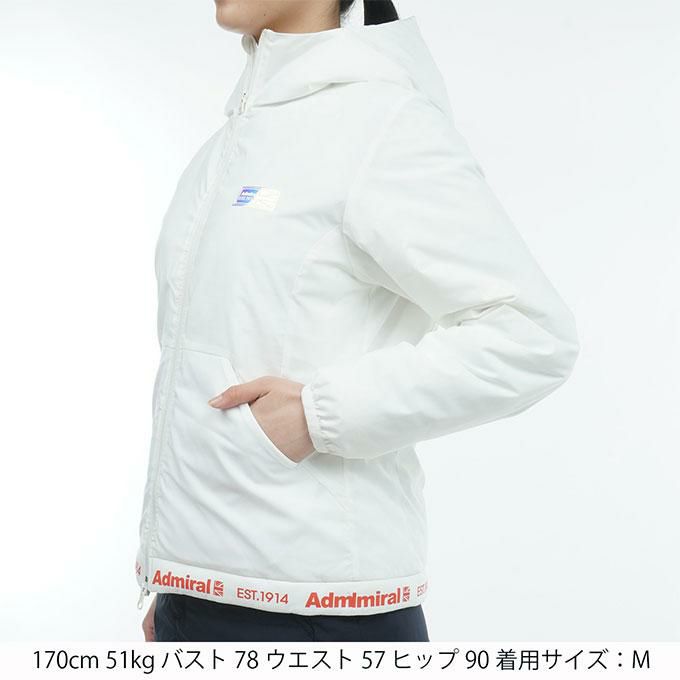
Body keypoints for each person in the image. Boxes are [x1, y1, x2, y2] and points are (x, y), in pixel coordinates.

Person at [137, 0, 580, 642]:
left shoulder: (382, 125)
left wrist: (317, 414)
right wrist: (176, 581)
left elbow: (532, 334)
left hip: (325, 616)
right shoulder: (227, 148)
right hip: (202, 597)